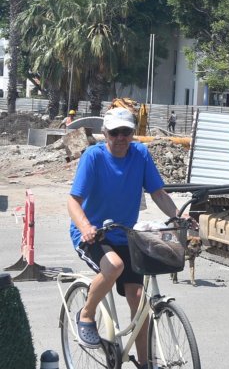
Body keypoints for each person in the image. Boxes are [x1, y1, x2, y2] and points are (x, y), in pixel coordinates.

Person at [68, 107, 181, 368]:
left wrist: (178, 216)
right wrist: (85, 226)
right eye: (115, 132)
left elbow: (159, 193)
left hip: (124, 235)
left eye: (126, 132)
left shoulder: (140, 154)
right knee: (114, 266)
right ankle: (86, 313)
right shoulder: (93, 157)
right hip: (93, 235)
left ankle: (144, 363)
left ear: (133, 134)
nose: (121, 137)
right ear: (105, 133)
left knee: (139, 299)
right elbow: (73, 201)